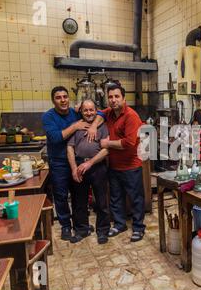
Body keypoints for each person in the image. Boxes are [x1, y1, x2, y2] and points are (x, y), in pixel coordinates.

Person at [42, 86, 104, 241]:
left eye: (65, 96)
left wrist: (95, 124)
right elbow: (56, 137)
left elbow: (100, 113)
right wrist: (75, 126)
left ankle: (79, 226)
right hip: (59, 162)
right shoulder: (48, 117)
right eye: (58, 97)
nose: (63, 100)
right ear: (53, 100)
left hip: (76, 161)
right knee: (61, 195)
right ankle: (65, 226)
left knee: (78, 196)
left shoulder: (75, 112)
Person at [100, 83, 146, 242]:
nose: (113, 100)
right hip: (114, 165)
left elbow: (128, 142)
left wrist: (107, 144)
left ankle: (139, 228)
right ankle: (120, 224)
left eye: (117, 96)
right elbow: (98, 113)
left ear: (124, 98)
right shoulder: (109, 113)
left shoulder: (131, 116)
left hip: (131, 165)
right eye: (110, 97)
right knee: (116, 197)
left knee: (135, 198)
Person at [67, 99, 111, 244]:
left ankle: (103, 231)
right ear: (81, 111)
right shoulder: (76, 126)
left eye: (91, 109)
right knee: (79, 201)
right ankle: (82, 230)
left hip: (98, 166)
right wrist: (74, 168)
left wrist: (90, 163)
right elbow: (70, 148)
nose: (89, 113)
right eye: (85, 110)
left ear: (96, 110)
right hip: (79, 166)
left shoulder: (103, 126)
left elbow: (106, 149)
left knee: (102, 201)